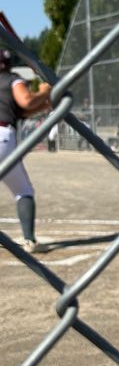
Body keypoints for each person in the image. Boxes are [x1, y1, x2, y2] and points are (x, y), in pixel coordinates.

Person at [0, 49, 52, 253]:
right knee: (23, 191)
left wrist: (46, 102)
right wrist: (45, 91)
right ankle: (29, 240)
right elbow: (26, 101)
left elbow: (20, 112)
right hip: (2, 137)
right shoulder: (13, 80)